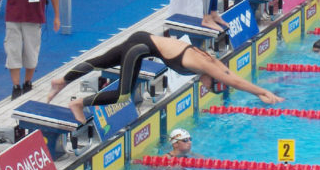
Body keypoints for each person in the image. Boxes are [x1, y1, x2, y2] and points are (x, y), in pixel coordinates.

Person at [47, 31, 284, 123]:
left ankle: (62, 81)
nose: (206, 88)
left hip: (142, 41)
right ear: (212, 80)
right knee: (123, 95)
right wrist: (262, 92)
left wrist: (264, 92)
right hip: (140, 47)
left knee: (102, 61)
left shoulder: (211, 68)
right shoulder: (205, 66)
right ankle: (78, 102)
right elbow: (235, 81)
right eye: (211, 88)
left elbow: (231, 75)